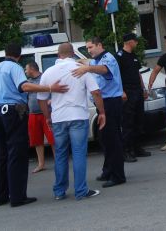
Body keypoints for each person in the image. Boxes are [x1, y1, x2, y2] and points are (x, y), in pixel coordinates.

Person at [0, 42, 68, 207]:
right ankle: (18, 197)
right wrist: (48, 88)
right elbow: (24, 86)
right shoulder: (15, 67)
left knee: (2, 155)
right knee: (17, 154)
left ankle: (1, 196)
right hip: (13, 112)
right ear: (19, 55)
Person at [38, 43, 104, 201]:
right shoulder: (80, 69)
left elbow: (41, 99)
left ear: (58, 55)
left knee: (60, 154)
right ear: (73, 53)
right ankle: (81, 191)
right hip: (78, 116)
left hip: (59, 118)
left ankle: (59, 191)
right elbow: (96, 92)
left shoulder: (48, 72)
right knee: (79, 153)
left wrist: (48, 117)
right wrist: (102, 112)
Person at [72, 37, 126, 188]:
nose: (89, 51)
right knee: (104, 139)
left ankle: (118, 175)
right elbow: (91, 62)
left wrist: (87, 68)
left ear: (99, 45)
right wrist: (84, 62)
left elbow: (103, 70)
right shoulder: (96, 59)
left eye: (91, 47)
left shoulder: (108, 58)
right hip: (102, 103)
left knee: (112, 139)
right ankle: (108, 170)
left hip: (111, 102)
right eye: (87, 48)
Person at [116, 33, 151, 163]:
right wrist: (122, 91)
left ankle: (137, 148)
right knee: (128, 123)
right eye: (135, 41)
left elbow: (138, 73)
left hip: (137, 91)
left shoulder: (133, 55)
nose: (137, 43)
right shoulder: (119, 56)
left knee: (138, 120)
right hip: (127, 92)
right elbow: (116, 76)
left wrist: (143, 89)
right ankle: (126, 151)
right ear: (130, 42)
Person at [25, 62, 55, 173]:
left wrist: (51, 100)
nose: (25, 71)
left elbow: (53, 90)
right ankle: (41, 164)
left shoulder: (45, 78)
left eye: (26, 69)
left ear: (32, 69)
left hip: (46, 113)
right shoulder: (28, 82)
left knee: (53, 139)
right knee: (37, 140)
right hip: (33, 114)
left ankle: (59, 161)